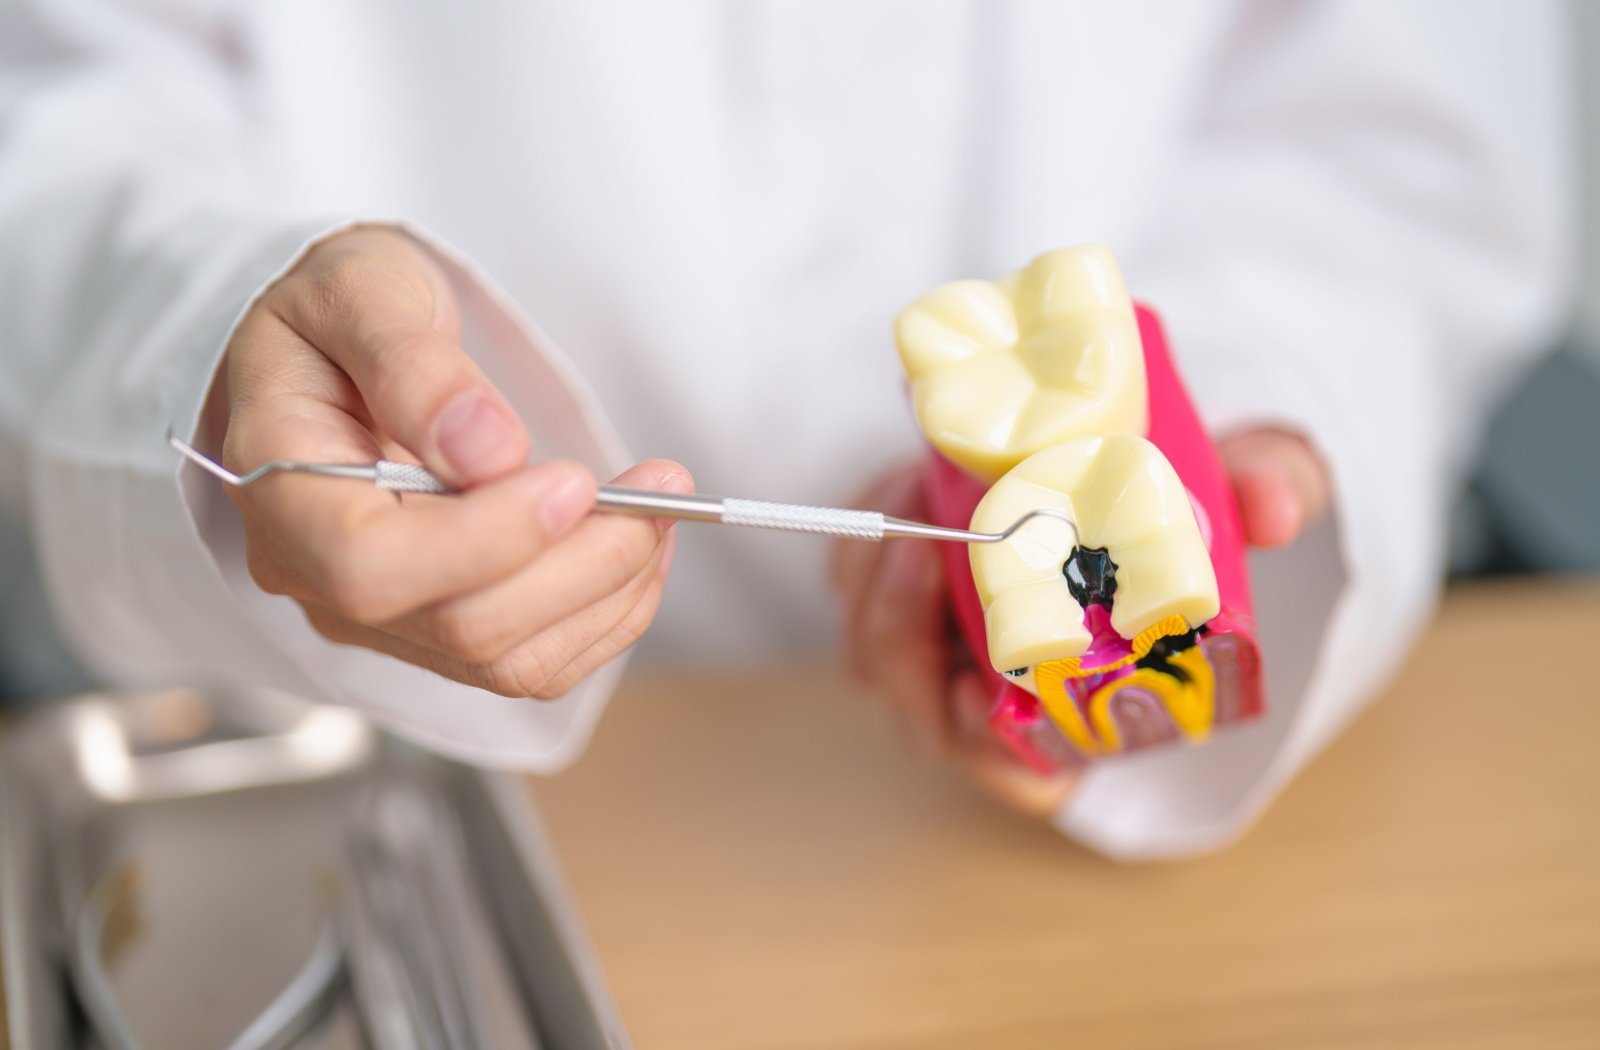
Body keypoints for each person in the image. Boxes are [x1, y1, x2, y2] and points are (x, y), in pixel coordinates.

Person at [0, 2, 1571, 857]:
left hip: (993, 855)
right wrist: (215, 332)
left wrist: (1251, 399)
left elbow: (1400, 127)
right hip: (408, 789)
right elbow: (64, 98)